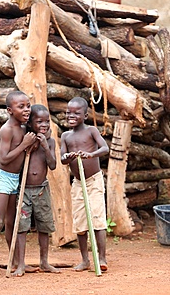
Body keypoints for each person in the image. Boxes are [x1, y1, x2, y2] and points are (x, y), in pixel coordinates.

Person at [0, 90, 37, 278]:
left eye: (28, 105)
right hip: (3, 178)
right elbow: (4, 159)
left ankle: (15, 262)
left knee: (11, 222)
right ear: (9, 110)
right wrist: (24, 145)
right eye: (21, 106)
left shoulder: (25, 129)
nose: (26, 109)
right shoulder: (7, 130)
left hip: (16, 179)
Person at [60, 97, 109, 272]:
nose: (71, 115)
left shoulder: (91, 131)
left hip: (94, 181)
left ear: (85, 115)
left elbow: (105, 148)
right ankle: (85, 260)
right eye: (68, 112)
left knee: (97, 219)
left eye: (76, 113)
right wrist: (68, 157)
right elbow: (62, 158)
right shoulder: (66, 136)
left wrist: (90, 154)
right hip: (78, 183)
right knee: (80, 222)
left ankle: (102, 258)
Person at [13, 104, 60, 277]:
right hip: (24, 189)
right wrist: (29, 146)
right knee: (22, 227)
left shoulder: (50, 141)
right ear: (30, 123)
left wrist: (45, 147)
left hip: (41, 189)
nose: (44, 124)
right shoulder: (25, 138)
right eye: (39, 121)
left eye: (47, 121)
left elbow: (53, 165)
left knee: (44, 225)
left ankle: (44, 261)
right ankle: (21, 264)